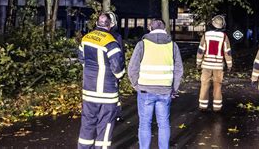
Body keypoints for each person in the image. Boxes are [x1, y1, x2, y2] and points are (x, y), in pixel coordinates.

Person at [128, 18, 183, 149]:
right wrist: (173, 89)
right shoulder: (172, 45)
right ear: (164, 29)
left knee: (144, 124)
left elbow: (132, 68)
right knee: (163, 124)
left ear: (150, 28)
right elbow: (179, 69)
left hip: (145, 91)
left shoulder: (142, 44)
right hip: (165, 91)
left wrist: (136, 85)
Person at [77, 13, 125, 149]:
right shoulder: (111, 42)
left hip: (89, 91)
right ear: (110, 25)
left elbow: (82, 59)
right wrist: (120, 75)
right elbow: (117, 69)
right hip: (107, 93)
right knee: (105, 125)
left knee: (87, 123)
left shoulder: (86, 38)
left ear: (97, 23)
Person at [196, 15, 232, 112]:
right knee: (217, 86)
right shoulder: (224, 37)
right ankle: (217, 107)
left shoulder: (206, 35)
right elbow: (227, 52)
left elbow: (200, 50)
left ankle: (203, 106)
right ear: (222, 25)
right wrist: (229, 65)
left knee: (204, 85)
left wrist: (198, 63)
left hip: (206, 65)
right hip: (218, 66)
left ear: (212, 23)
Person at [105, 11, 125, 122]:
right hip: (113, 69)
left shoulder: (95, 35)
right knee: (114, 92)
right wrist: (121, 72)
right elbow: (120, 55)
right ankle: (115, 113)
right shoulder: (116, 36)